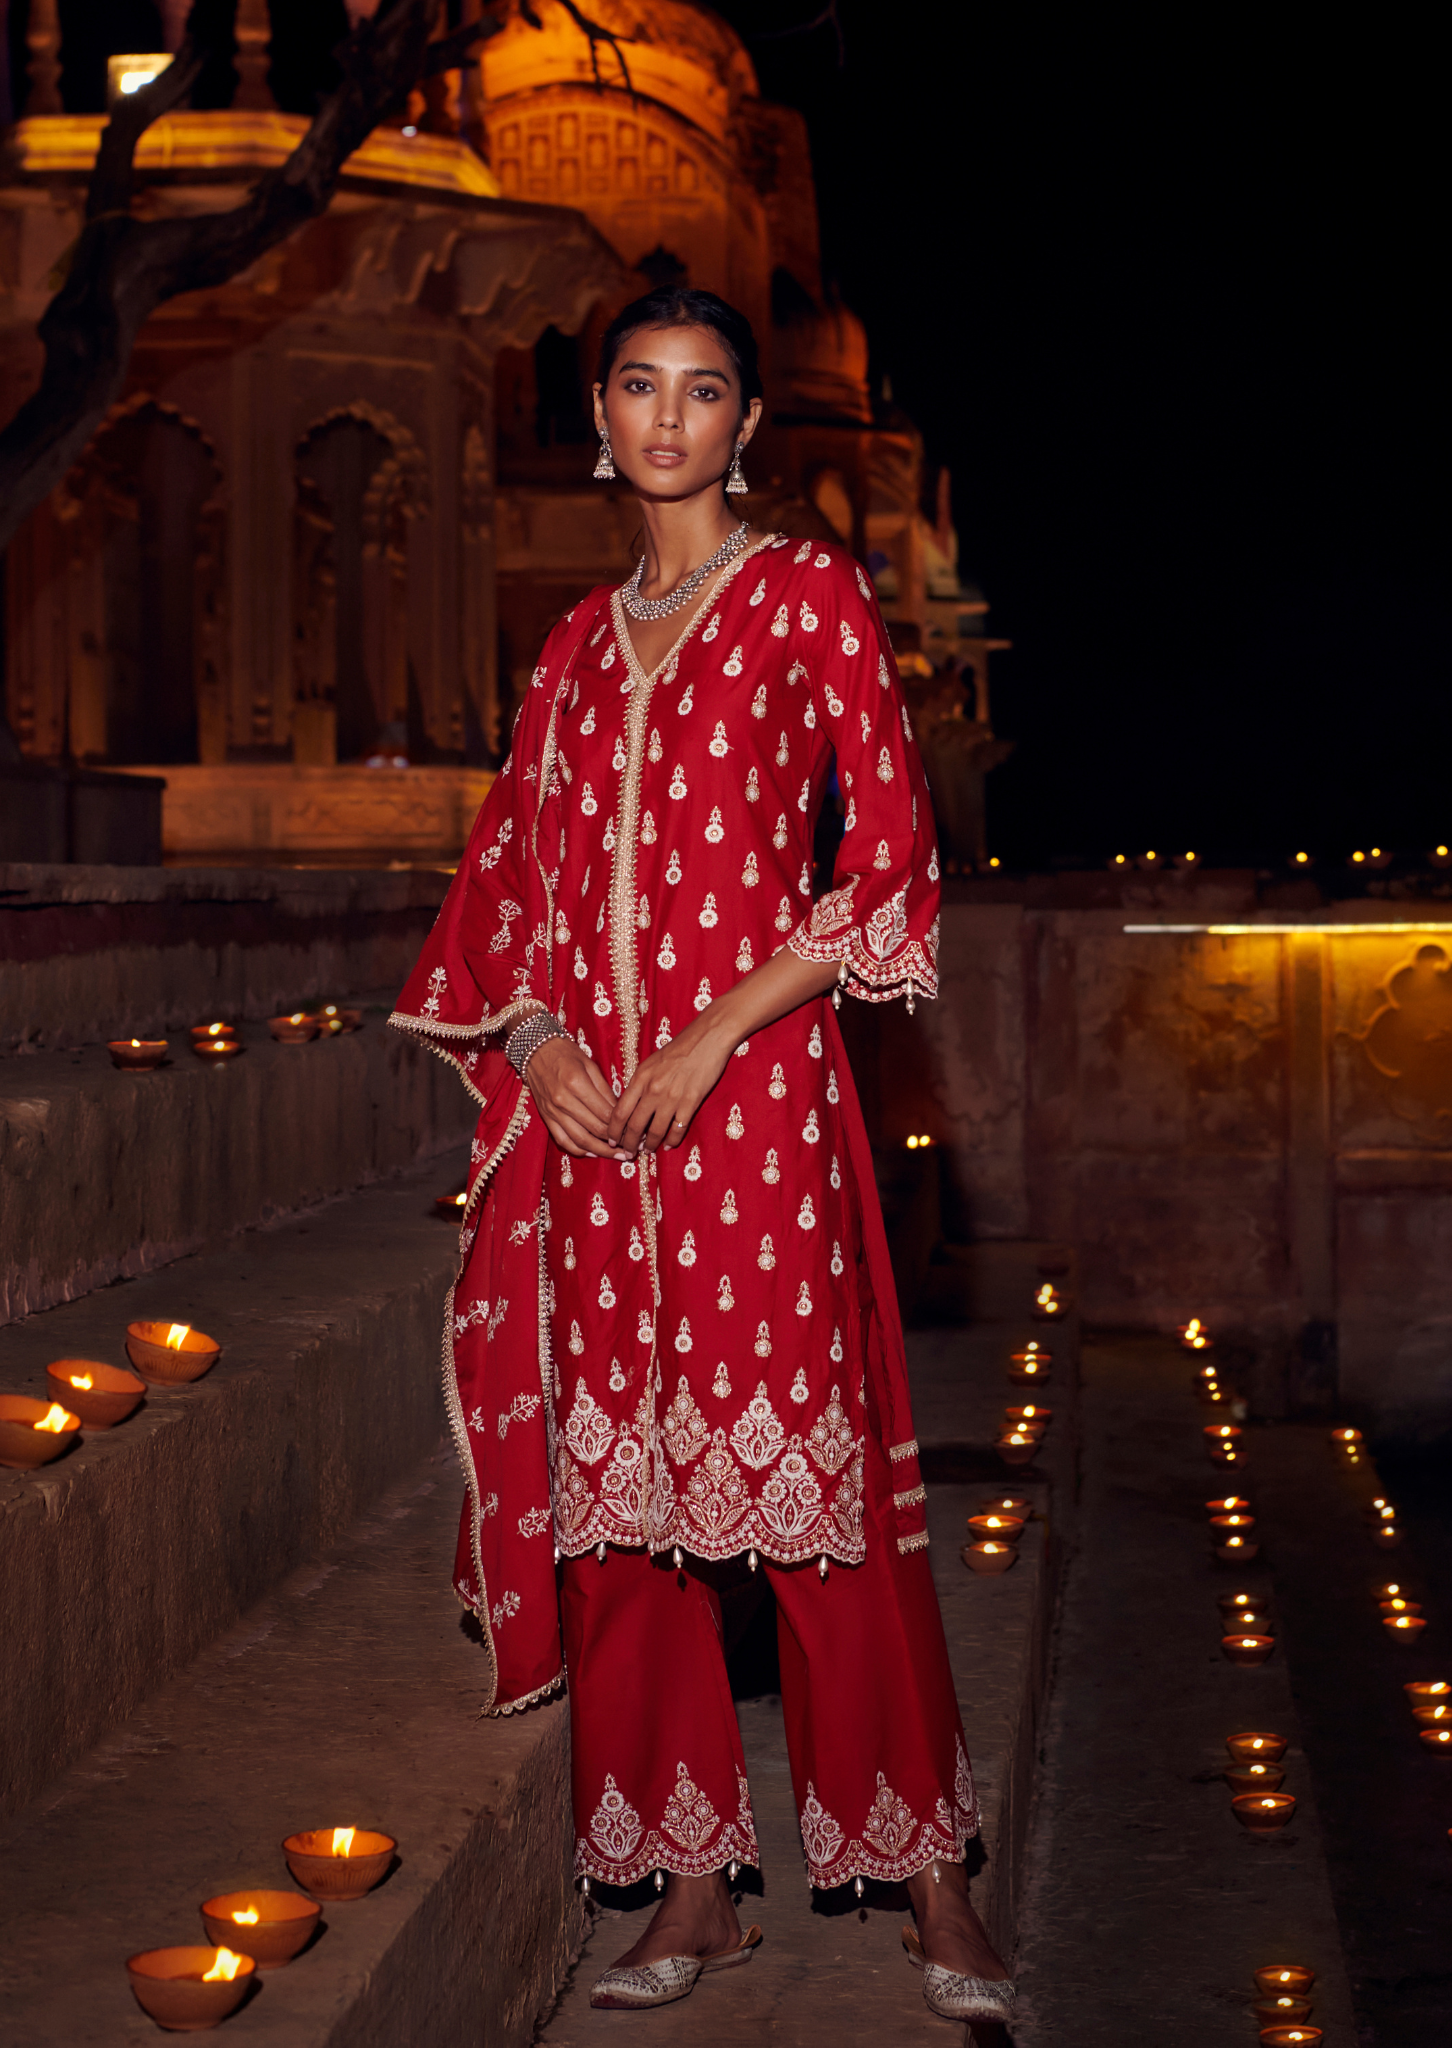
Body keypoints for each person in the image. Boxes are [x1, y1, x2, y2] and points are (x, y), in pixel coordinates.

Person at [391, 287, 1013, 2024]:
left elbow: (885, 868)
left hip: (750, 1116)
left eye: (708, 393)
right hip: (598, 1142)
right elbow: (500, 885)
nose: (673, 418)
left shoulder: (807, 594)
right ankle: (688, 1894)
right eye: (641, 388)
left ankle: (933, 1880)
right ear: (601, 412)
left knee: (815, 1515)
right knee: (631, 1531)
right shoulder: (575, 648)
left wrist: (707, 1036)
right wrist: (539, 1046)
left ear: (748, 425)